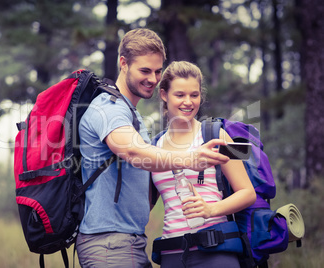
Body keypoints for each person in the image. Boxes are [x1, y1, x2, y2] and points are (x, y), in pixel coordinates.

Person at [76, 29, 230, 268]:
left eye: (158, 71)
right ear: (123, 63)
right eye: (145, 70)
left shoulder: (131, 113)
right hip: (108, 243)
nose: (153, 78)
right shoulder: (109, 108)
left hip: (129, 241)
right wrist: (190, 158)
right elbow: (133, 152)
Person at [151, 61, 257, 267]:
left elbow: (247, 192)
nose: (188, 102)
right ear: (164, 95)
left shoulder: (216, 135)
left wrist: (211, 210)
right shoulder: (155, 145)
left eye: (194, 95)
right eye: (180, 95)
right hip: (171, 253)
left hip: (216, 251)